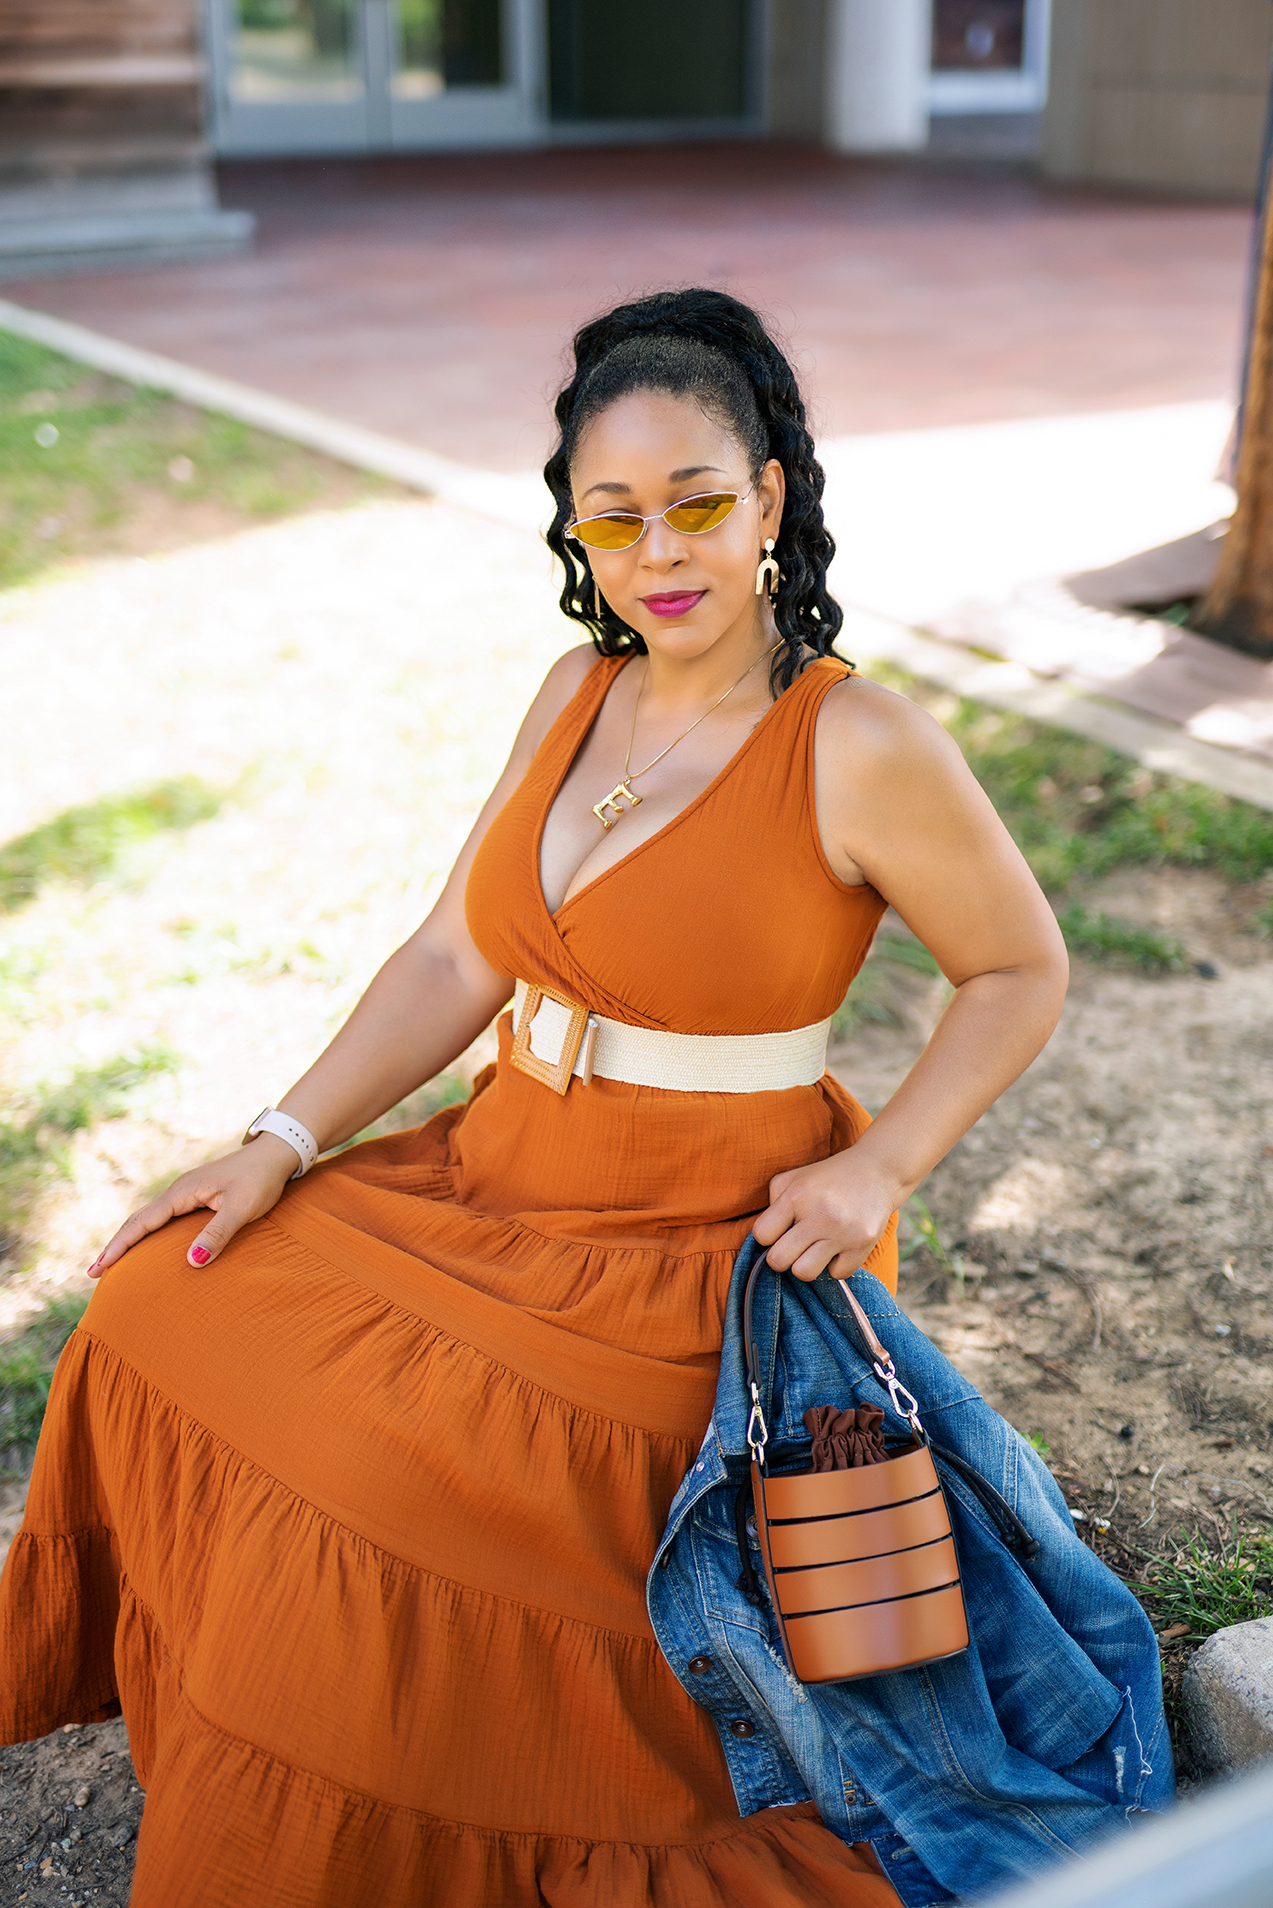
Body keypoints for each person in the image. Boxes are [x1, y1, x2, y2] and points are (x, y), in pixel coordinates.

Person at [0, 289, 1069, 1907]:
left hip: (693, 1252)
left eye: (700, 503)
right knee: (164, 1297)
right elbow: (452, 954)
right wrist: (280, 1141)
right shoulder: (576, 692)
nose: (663, 553)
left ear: (770, 495)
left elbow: (1019, 971)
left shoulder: (858, 741)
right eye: (615, 517)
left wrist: (884, 1168)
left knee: (379, 1497)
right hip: (493, 1172)